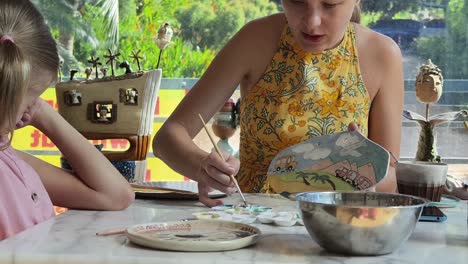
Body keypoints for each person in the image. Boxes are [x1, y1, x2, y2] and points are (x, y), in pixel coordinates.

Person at [153, 0, 403, 207]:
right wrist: (203, 167)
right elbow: (168, 138)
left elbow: (390, 178)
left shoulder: (382, 55)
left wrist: (363, 173)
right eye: (296, 1)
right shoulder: (255, 39)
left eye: (330, 4)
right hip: (252, 221)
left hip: (338, 225)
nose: (312, 22)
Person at [0, 0, 134, 240]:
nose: (35, 106)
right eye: (35, 96)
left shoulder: (10, 159)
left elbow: (116, 194)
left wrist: (41, 113)